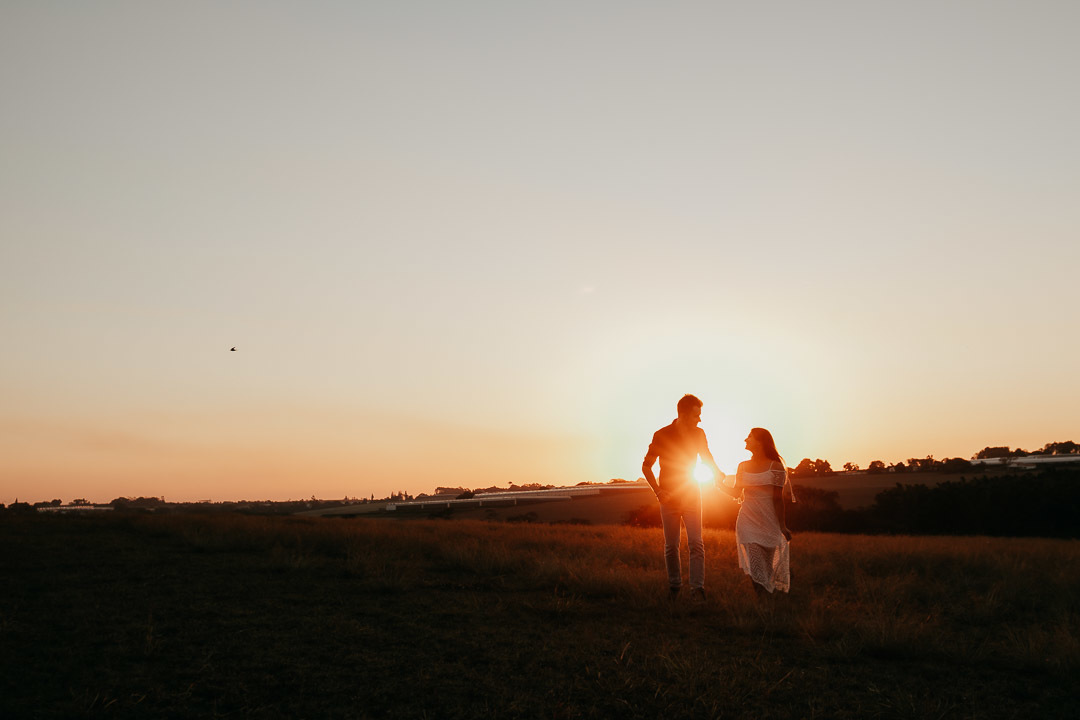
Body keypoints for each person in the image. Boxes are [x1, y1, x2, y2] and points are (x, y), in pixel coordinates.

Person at [642, 394, 723, 600]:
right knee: (671, 546)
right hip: (668, 499)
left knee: (696, 543)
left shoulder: (699, 434)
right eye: (697, 415)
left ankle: (697, 589)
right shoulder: (661, 435)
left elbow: (707, 457)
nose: (700, 419)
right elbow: (646, 466)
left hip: (692, 495)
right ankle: (674, 586)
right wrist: (658, 492)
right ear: (684, 414)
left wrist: (717, 473)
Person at [720, 427, 794, 595]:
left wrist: (782, 526)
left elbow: (777, 499)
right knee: (755, 564)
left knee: (767, 566)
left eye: (749, 437)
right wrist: (718, 485)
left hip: (769, 520)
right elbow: (736, 493)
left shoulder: (775, 466)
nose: (745, 440)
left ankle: (768, 597)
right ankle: (761, 598)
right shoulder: (742, 466)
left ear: (760, 442)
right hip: (747, 520)